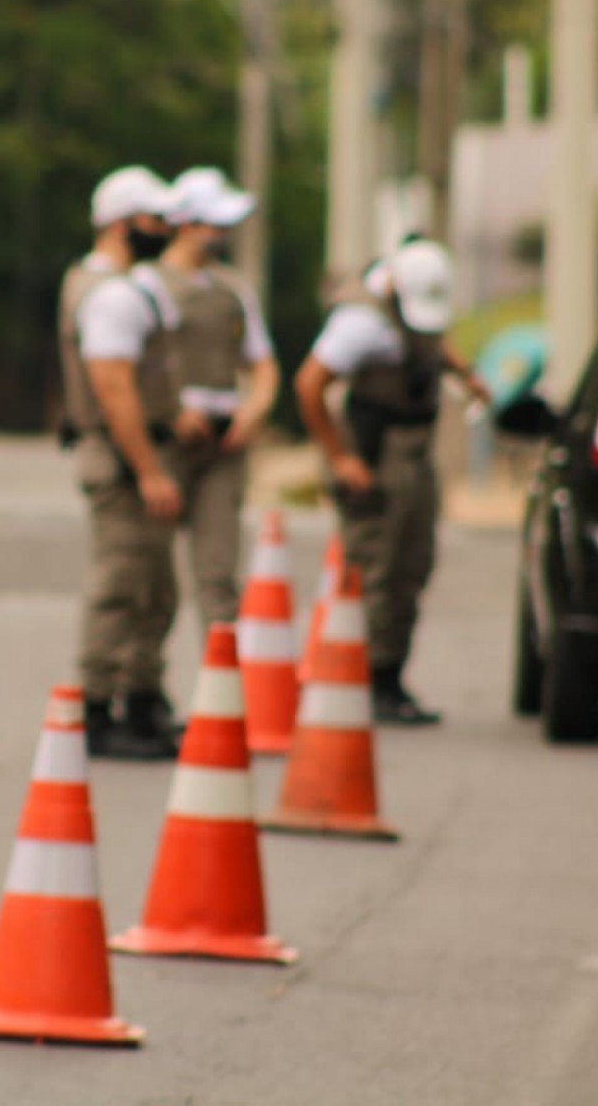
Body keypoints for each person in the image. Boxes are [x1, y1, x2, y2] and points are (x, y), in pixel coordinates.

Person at [293, 237, 487, 726]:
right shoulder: (360, 322)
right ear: (395, 287)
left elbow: (429, 341)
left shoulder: (414, 305)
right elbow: (310, 384)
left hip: (416, 452)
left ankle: (391, 674)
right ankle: (363, 677)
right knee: (372, 571)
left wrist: (466, 373)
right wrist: (340, 459)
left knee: (412, 565)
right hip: (375, 456)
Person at [57, 165, 186, 760]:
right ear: (119, 224)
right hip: (121, 460)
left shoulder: (118, 285)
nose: (165, 229)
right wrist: (151, 469)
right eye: (154, 219)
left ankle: (140, 701)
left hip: (127, 456)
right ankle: (97, 711)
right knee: (121, 584)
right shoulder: (109, 293)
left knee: (153, 585)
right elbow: (113, 388)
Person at [151, 167, 279, 632]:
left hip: (224, 443)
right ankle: (142, 687)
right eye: (214, 224)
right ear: (186, 224)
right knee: (151, 578)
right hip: (169, 440)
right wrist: (173, 410)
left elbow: (263, 364)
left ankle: (223, 692)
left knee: (218, 574)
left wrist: (255, 410)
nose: (222, 235)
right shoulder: (148, 285)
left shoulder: (233, 289)